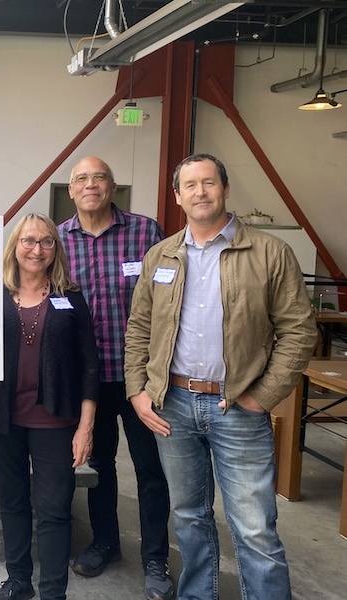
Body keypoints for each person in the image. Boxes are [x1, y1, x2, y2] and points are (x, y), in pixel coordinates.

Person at [124, 153, 316, 600]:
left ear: (225, 189)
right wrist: (137, 390)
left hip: (239, 408)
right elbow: (139, 328)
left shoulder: (269, 252)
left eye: (208, 183)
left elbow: (299, 330)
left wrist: (262, 396)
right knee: (189, 517)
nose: (200, 192)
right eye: (190, 185)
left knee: (254, 529)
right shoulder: (161, 255)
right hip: (172, 405)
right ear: (177, 196)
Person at [0, 213, 99, 600]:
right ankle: (18, 581)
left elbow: (90, 365)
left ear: (55, 249)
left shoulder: (70, 297)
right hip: (3, 419)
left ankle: (53, 592)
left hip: (55, 420)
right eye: (28, 241)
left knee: (55, 509)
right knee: (13, 503)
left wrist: (85, 427)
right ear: (14, 247)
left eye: (45, 242)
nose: (36, 249)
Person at [57, 157, 172, 600]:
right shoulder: (58, 241)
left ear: (113, 186)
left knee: (150, 469)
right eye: (82, 179)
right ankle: (106, 543)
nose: (91, 185)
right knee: (100, 466)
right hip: (88, 380)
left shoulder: (146, 232)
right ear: (71, 191)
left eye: (99, 177)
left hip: (141, 379)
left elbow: (170, 293)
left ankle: (155, 557)